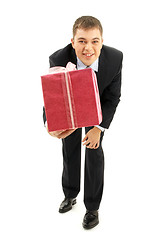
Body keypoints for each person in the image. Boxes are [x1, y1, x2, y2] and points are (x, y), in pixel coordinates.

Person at [43, 16, 123, 229]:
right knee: (69, 147)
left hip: (97, 109)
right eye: (82, 41)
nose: (88, 47)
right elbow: (52, 97)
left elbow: (112, 97)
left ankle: (92, 208)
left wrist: (98, 128)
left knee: (94, 151)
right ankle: (70, 194)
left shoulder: (115, 59)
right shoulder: (58, 58)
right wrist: (50, 125)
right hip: (72, 105)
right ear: (72, 41)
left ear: (102, 41)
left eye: (94, 41)